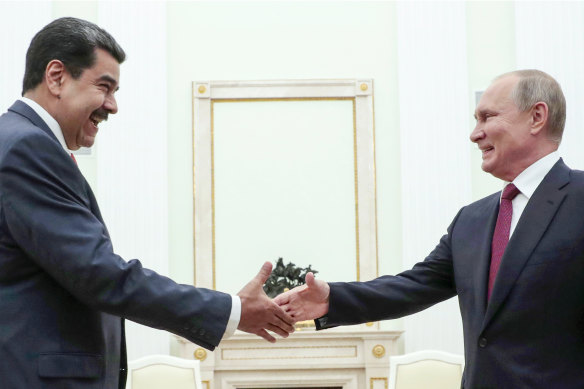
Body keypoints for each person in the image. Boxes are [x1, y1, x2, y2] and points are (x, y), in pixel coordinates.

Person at [0, 17, 293, 389]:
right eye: (104, 87)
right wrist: (231, 311)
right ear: (56, 77)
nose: (113, 106)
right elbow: (98, 274)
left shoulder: (15, 140)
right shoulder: (29, 147)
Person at [275, 69, 584, 388]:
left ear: (537, 116)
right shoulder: (471, 220)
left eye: (487, 117)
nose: (475, 134)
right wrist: (332, 299)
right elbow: (413, 286)